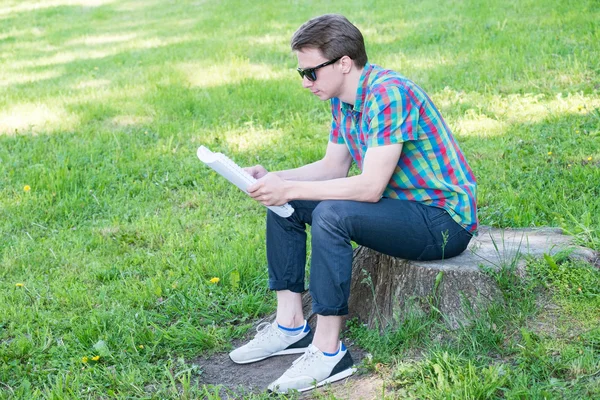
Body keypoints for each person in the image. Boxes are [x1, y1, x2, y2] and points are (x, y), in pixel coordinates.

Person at [230, 14, 478, 394]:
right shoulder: (344, 100)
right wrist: (275, 180)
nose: (305, 82)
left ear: (343, 63)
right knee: (286, 204)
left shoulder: (389, 93)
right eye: (300, 73)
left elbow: (370, 188)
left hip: (442, 222)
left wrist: (291, 187)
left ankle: (329, 350)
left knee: (329, 212)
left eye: (311, 72)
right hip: (399, 209)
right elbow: (333, 167)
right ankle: (290, 325)